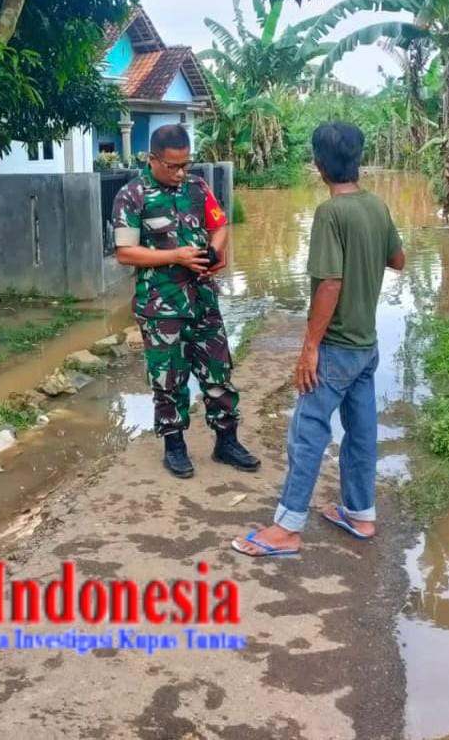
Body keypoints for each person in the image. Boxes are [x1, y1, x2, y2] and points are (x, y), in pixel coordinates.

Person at [233, 122, 406, 557]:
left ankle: (287, 528)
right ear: (359, 159)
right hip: (366, 345)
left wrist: (309, 347)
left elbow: (329, 282)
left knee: (307, 432)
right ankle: (360, 514)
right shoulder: (377, 206)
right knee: (362, 431)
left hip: (336, 347)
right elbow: (399, 260)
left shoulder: (331, 213)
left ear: (319, 165)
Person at [112, 124, 260, 478]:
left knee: (219, 371)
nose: (180, 173)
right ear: (153, 160)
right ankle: (174, 446)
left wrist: (215, 252)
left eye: (186, 165)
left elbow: (220, 225)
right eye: (172, 166)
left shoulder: (197, 187)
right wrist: (175, 256)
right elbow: (125, 253)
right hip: (160, 306)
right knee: (168, 378)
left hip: (204, 300)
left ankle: (227, 441)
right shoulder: (132, 195)